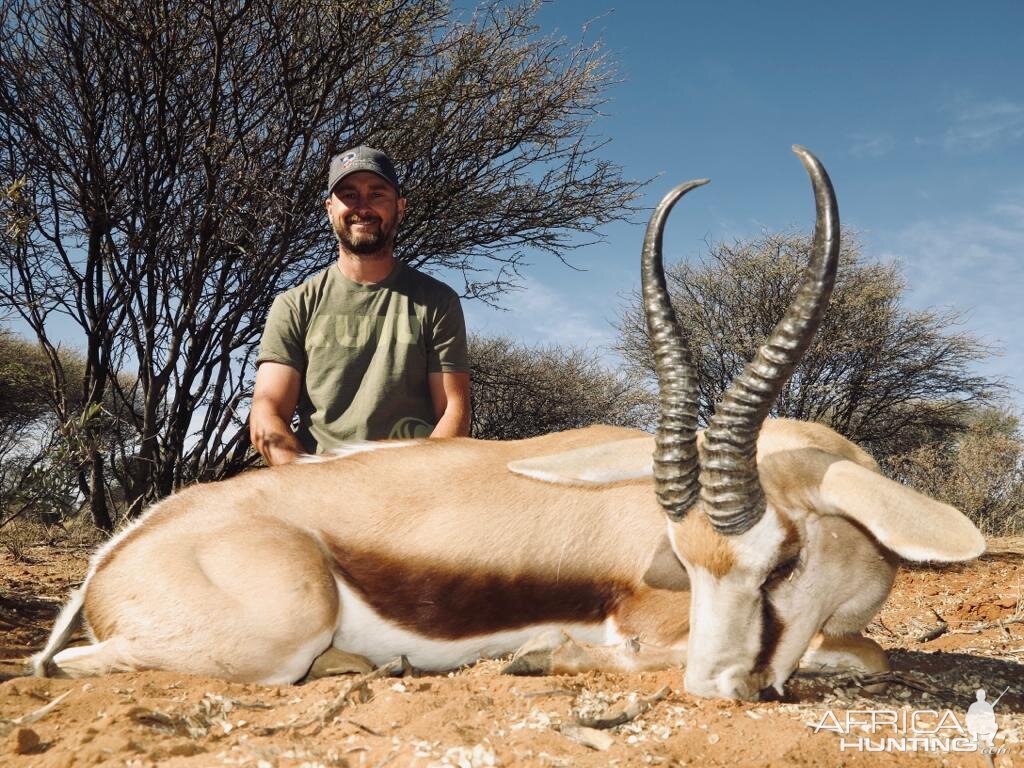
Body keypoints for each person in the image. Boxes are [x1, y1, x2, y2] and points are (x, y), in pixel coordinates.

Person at [250, 146, 471, 466]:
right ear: (329, 208)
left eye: (377, 194)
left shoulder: (438, 301)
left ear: (400, 207)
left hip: (413, 488)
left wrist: (414, 485)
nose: (362, 207)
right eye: (349, 195)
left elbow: (454, 410)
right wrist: (303, 482)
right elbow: (266, 410)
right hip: (319, 489)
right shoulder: (293, 305)